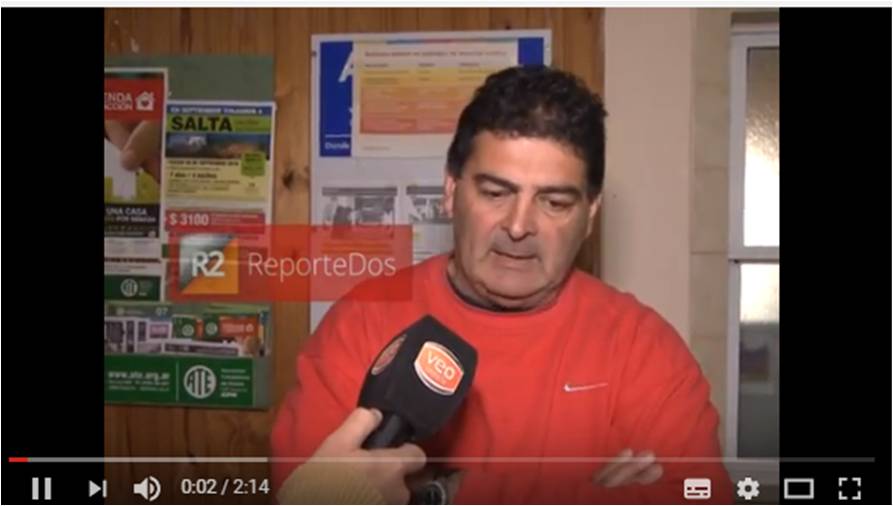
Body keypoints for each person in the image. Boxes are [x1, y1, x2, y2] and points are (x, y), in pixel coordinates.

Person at [272, 65, 733, 504]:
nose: (518, 226)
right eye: (495, 193)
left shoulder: (640, 347)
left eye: (554, 203)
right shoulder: (363, 322)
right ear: (451, 191)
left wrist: (444, 494)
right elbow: (306, 493)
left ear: (590, 215)